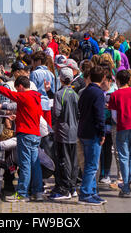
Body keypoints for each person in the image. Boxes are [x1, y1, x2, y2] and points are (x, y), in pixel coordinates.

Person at [0, 75, 44, 202]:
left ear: (20, 86)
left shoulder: (23, 96)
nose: (16, 91)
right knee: (35, 164)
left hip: (25, 134)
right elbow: (32, 113)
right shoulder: (35, 97)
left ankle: (22, 193)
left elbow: (7, 93)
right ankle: (38, 192)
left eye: (17, 89)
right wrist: (19, 117)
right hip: (35, 134)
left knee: (25, 165)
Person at [108, 69, 131, 198]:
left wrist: (121, 122)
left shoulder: (115, 95)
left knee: (123, 156)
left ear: (117, 81)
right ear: (129, 80)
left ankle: (126, 185)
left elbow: (114, 116)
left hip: (122, 127)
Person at [48, 67, 79, 201]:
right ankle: (72, 187)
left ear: (60, 79)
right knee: (73, 161)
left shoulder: (59, 94)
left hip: (63, 132)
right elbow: (78, 113)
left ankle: (65, 188)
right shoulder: (75, 94)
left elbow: (57, 113)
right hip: (75, 131)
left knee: (63, 160)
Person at [77, 66, 107, 206]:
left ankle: (92, 191)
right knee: (92, 165)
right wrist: (102, 133)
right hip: (93, 132)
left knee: (90, 164)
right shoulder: (98, 93)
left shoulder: (85, 91)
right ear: (103, 78)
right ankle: (85, 193)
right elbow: (99, 115)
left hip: (83, 130)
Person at [30, 51, 55, 127]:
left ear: (38, 61)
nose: (32, 64)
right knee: (47, 130)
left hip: (37, 105)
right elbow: (53, 92)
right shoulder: (51, 74)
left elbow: (32, 91)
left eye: (34, 61)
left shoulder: (34, 73)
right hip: (47, 106)